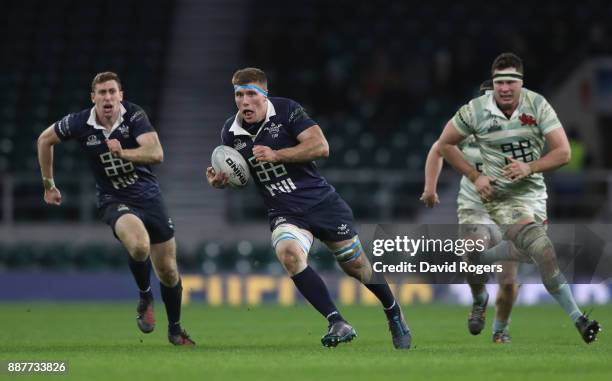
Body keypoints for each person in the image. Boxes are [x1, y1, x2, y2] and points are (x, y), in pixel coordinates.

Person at [206, 67, 411, 349]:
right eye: (239, 95)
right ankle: (336, 320)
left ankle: (393, 311)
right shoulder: (230, 132)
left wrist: (277, 154)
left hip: (321, 202)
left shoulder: (288, 110)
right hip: (284, 210)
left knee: (357, 265)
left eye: (251, 94)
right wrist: (222, 182)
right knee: (289, 255)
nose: (244, 102)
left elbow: (321, 147)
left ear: (265, 95)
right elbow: (241, 174)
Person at [436, 53, 601, 344]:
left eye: (511, 81)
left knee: (535, 253)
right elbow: (444, 144)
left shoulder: (538, 105)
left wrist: (530, 166)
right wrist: (476, 177)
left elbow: (564, 153)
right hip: (501, 198)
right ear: (493, 83)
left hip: (534, 194)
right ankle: (579, 319)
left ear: (521, 83)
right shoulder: (474, 111)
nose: (504, 88)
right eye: (499, 82)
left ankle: (479, 260)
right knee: (540, 246)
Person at [37, 72, 195, 346]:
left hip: (149, 197)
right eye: (102, 92)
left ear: (121, 95)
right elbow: (44, 140)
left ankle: (175, 329)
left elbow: (156, 154)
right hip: (113, 199)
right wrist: (49, 184)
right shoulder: (79, 122)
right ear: (93, 98)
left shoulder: (134, 116)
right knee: (138, 245)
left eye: (112, 92)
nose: (108, 97)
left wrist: (124, 152)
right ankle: (145, 296)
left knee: (169, 271)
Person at [421, 80, 526, 343]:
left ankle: (501, 330)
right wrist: (431, 189)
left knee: (509, 279)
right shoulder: (466, 127)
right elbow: (438, 150)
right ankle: (480, 299)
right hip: (474, 208)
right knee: (475, 257)